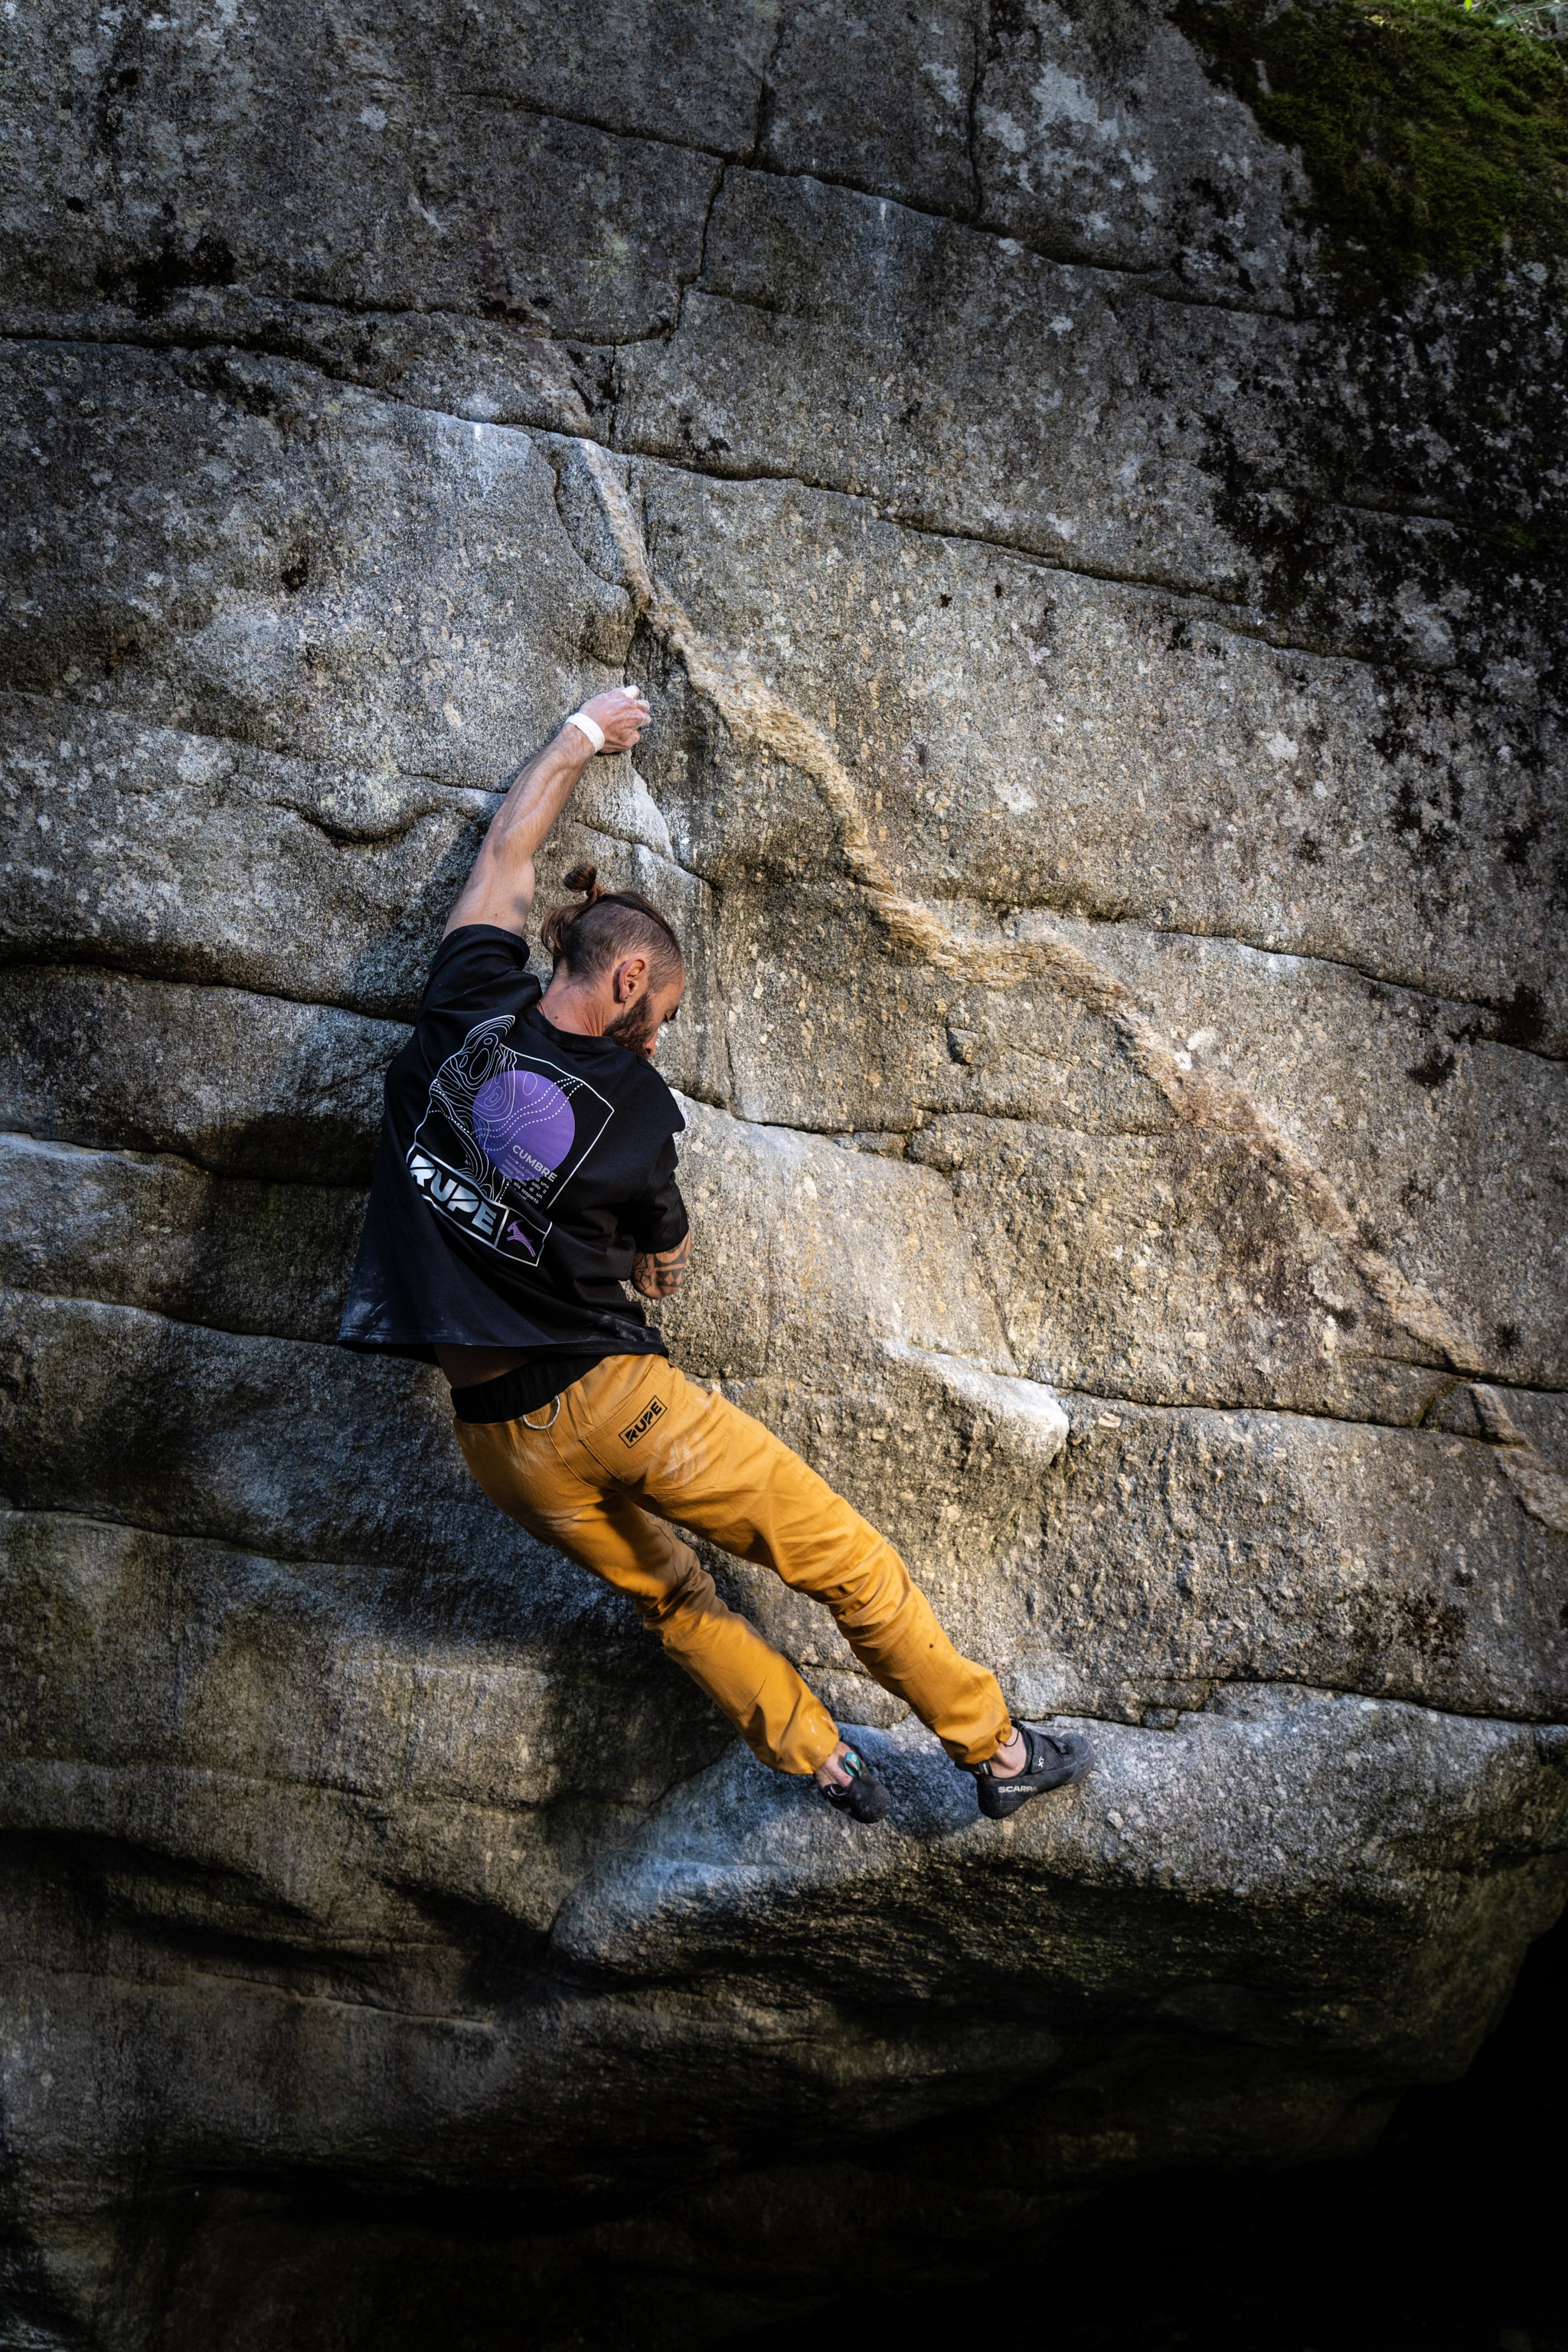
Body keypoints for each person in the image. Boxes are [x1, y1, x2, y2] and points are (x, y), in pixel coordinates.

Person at [339, 684, 1093, 1823]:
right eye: (666, 1013)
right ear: (630, 981)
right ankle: (997, 1751)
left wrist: (584, 732)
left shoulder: (464, 1003)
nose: (659, 1039)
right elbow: (664, 1231)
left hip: (498, 1444)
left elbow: (507, 851)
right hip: (613, 1403)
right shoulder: (636, 1107)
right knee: (845, 1560)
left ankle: (821, 1759)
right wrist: (665, 1254)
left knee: (675, 1601)